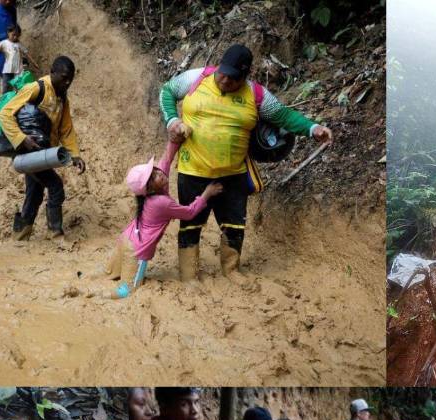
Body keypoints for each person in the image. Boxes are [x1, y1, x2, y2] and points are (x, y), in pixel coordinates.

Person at [159, 43, 333, 280]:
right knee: (191, 222)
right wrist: (171, 120)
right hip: (193, 170)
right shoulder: (196, 78)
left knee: (234, 224)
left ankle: (231, 270)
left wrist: (313, 128)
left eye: (232, 78)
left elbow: (284, 116)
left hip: (234, 174)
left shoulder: (256, 94)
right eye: (222, 73)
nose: (225, 81)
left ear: (245, 76)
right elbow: (167, 91)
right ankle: (189, 273)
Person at [104, 145, 222, 299]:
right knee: (128, 291)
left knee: (109, 274)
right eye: (152, 178)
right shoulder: (161, 202)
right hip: (136, 252)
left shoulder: (153, 191)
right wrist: (207, 193)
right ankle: (97, 295)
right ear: (150, 189)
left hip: (126, 239)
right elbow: (189, 213)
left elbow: (166, 160)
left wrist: (174, 141)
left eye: (155, 171)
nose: (159, 174)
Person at [0, 55, 86, 240]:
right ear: (52, 72)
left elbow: (66, 129)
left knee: (35, 192)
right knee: (55, 186)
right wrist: (21, 139)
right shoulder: (36, 88)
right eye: (63, 78)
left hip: (43, 153)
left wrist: (75, 155)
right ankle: (56, 234)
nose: (67, 83)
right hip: (29, 153)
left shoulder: (63, 98)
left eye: (70, 79)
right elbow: (5, 114)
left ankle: (20, 235)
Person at [0, 24, 38, 95]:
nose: (15, 37)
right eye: (13, 35)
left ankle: (18, 99)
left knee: (19, 86)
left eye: (17, 35)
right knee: (6, 87)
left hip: (18, 70)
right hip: (8, 70)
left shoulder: (19, 44)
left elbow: (27, 53)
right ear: (8, 33)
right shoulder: (4, 43)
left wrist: (33, 62)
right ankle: (5, 101)